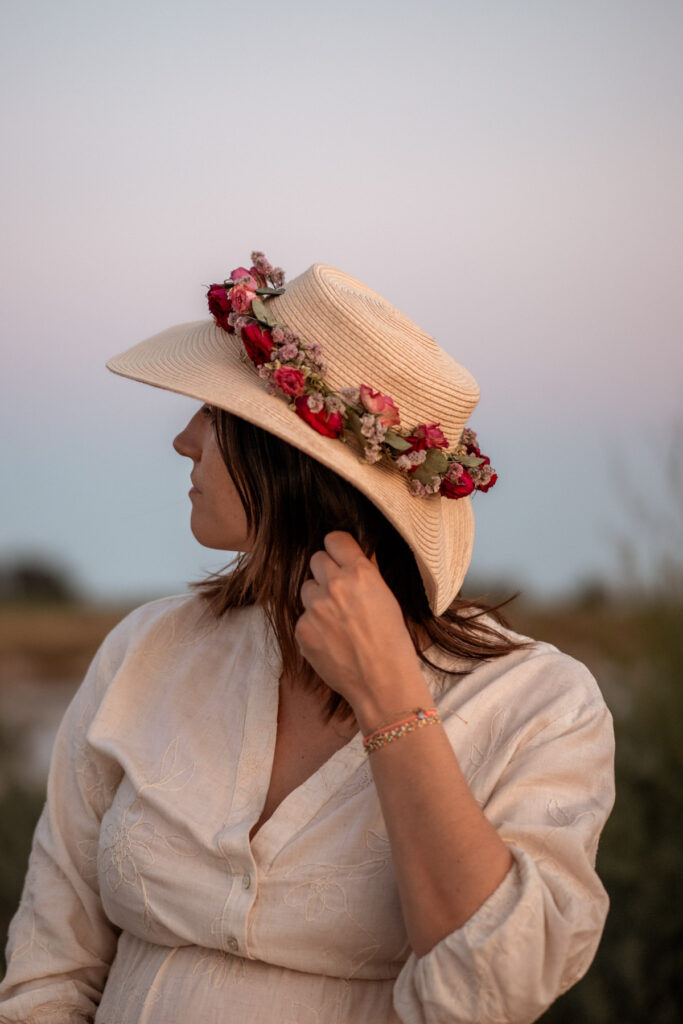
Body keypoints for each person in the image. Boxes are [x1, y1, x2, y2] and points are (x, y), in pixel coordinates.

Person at [0, 254, 615, 1024]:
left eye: (216, 417)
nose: (183, 440)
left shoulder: (538, 704)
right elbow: (48, 969)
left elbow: (490, 991)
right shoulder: (146, 649)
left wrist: (390, 700)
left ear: (291, 459)